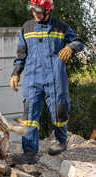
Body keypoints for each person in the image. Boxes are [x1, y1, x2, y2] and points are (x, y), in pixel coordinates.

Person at [9, 0, 84, 164]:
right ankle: (29, 153)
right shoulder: (26, 27)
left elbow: (79, 42)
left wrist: (70, 47)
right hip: (32, 79)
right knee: (29, 115)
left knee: (60, 111)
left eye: (39, 11)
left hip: (55, 78)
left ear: (48, 10)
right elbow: (21, 54)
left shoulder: (60, 26)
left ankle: (61, 141)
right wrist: (16, 73)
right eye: (32, 10)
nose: (35, 14)